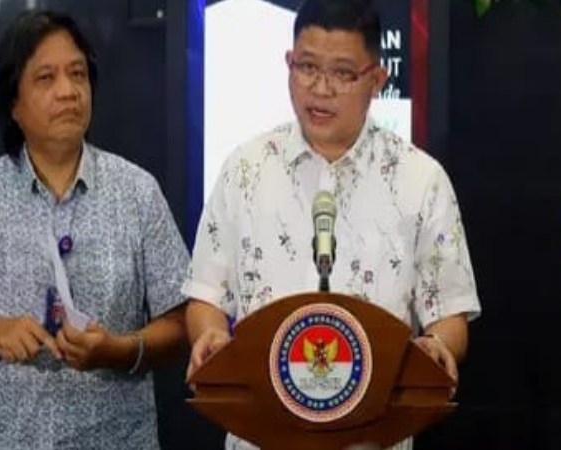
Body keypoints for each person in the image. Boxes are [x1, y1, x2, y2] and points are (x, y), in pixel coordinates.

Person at [182, 0, 481, 449]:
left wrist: (438, 346)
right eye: (307, 67)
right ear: (288, 64)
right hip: (261, 436)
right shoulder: (244, 169)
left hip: (373, 435)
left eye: (342, 73)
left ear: (377, 80)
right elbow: (205, 296)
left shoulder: (420, 179)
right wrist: (210, 334)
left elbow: (449, 315)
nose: (320, 89)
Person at [0, 10, 190, 450]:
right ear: (14, 104)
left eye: (77, 74)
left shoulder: (137, 191)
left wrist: (120, 350)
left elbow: (180, 322)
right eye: (46, 78)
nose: (68, 91)